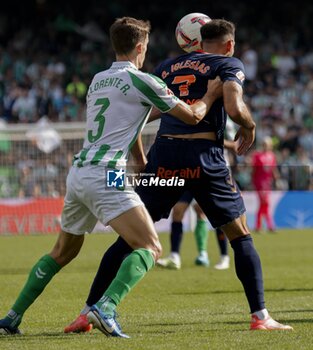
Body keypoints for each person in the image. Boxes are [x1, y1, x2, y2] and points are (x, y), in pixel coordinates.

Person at [64, 18, 293, 333]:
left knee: (131, 238)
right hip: (203, 159)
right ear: (229, 45)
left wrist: (140, 159)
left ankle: (87, 310)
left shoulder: (168, 67)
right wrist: (249, 125)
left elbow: (142, 113)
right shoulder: (227, 63)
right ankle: (260, 316)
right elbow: (233, 104)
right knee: (240, 234)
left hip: (166, 158)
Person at [0, 17, 221, 338]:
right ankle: (106, 307)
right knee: (149, 247)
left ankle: (11, 317)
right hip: (107, 174)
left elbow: (124, 125)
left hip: (79, 173)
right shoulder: (144, 81)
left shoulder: (98, 80)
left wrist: (141, 161)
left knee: (62, 252)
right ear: (141, 47)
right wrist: (211, 94)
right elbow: (194, 116)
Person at [156, 191, 230, 269]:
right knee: (177, 211)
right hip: (187, 181)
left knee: (214, 213)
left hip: (205, 182)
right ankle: (174, 256)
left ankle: (223, 257)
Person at [251, 136, 279, 232]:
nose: (266, 146)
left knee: (264, 204)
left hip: (268, 183)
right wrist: (253, 182)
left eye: (267, 144)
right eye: (264, 144)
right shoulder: (257, 155)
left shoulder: (272, 155)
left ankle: (258, 226)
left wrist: (276, 178)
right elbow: (254, 170)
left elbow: (273, 169)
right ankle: (270, 225)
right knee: (265, 202)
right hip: (259, 182)